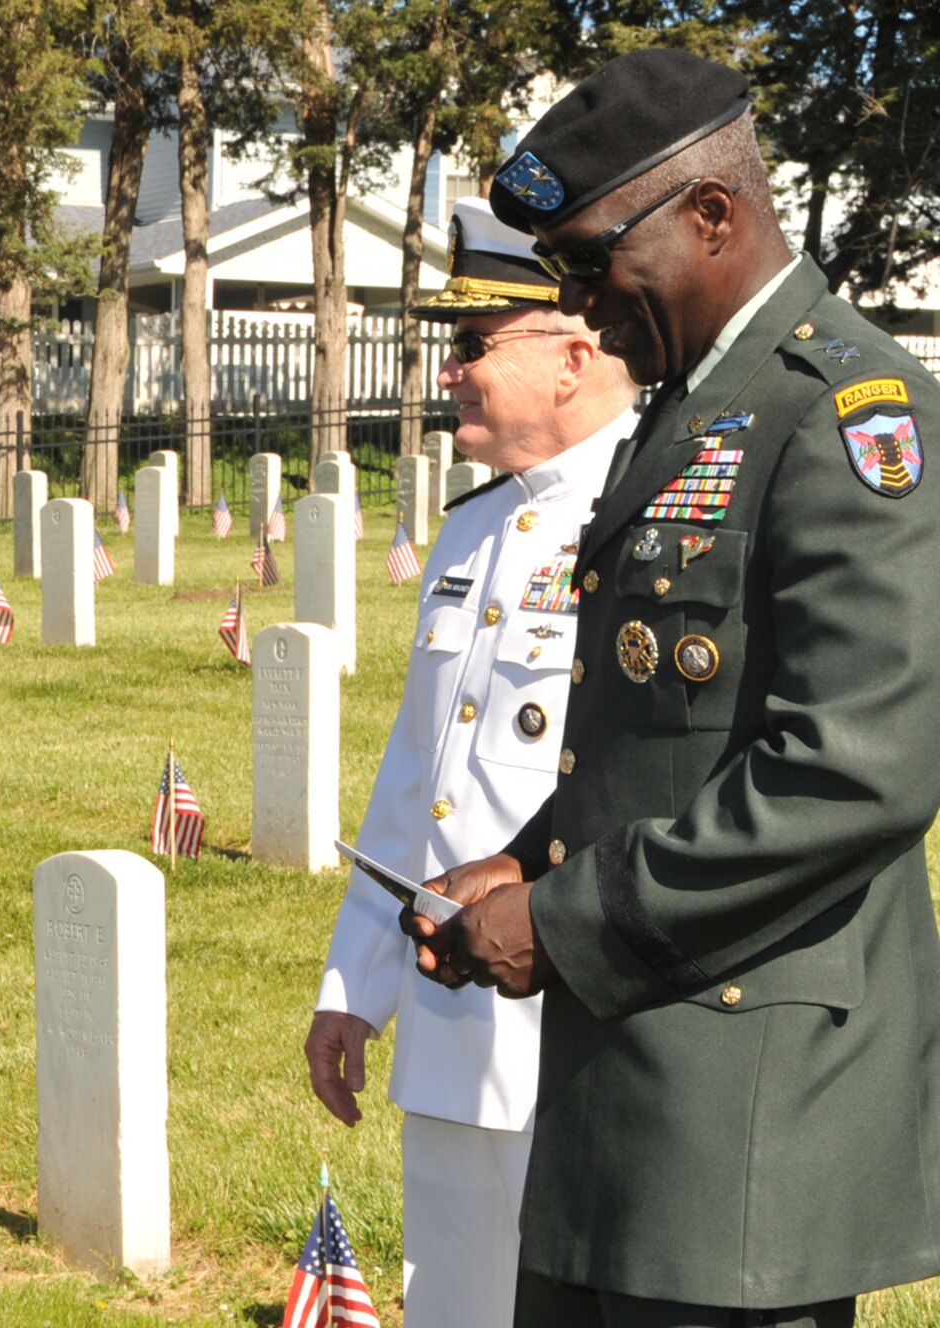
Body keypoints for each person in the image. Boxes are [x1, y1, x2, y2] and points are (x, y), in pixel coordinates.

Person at [411, 49, 940, 1327]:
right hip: (624, 1081)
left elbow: (854, 767)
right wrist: (521, 862)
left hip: (741, 1108)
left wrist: (565, 917)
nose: (582, 310)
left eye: (593, 261)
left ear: (711, 214)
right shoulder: (690, 409)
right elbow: (659, 728)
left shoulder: (845, 415)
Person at [303, 197, 639, 1328]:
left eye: (471, 344)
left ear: (571, 354)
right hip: (452, 1022)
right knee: (452, 1301)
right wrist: (354, 983)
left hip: (573, 1023)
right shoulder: (470, 526)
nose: (445, 372)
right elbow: (418, 777)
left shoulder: (647, 515)